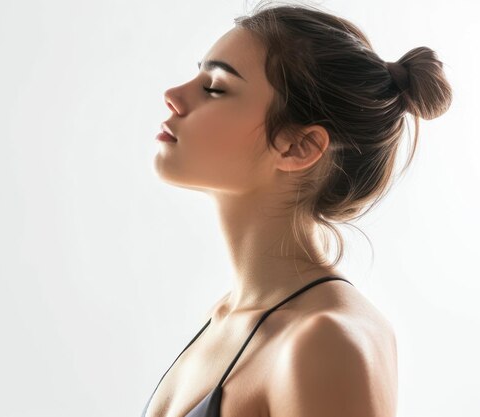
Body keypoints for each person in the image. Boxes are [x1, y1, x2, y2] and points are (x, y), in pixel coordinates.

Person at [147, 2, 452, 417]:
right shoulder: (225, 316)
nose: (173, 96)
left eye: (215, 87)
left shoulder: (325, 342)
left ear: (298, 147)